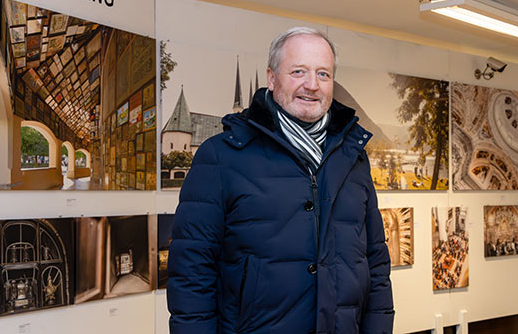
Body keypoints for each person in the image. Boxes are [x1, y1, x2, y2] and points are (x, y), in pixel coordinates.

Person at [167, 27, 394, 333]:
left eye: (323, 74)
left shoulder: (353, 159)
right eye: (298, 71)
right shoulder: (221, 156)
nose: (312, 85)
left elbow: (376, 264)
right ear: (272, 78)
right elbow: (191, 274)